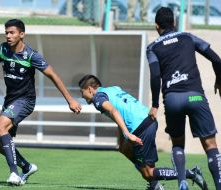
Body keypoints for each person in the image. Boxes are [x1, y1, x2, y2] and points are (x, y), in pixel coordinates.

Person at [0, 19, 82, 186]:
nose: (8, 35)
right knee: (1, 146)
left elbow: (53, 76)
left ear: (22, 34)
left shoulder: (31, 55)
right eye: (6, 32)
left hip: (25, 101)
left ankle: (14, 173)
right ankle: (27, 167)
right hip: (10, 101)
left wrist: (70, 100)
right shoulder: (3, 49)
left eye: (12, 32)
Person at [78, 74, 208, 190]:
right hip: (147, 120)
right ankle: (154, 185)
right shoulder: (113, 89)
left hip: (140, 128)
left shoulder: (97, 98)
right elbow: (121, 109)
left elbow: (114, 111)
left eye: (82, 92)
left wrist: (126, 133)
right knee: (125, 149)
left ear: (89, 89)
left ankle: (190, 173)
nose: (82, 96)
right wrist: (123, 140)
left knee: (148, 172)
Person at [146, 7, 221, 190]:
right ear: (174, 23)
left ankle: (182, 183)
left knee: (178, 143)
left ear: (157, 27)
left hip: (172, 100)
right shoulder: (188, 37)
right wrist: (219, 80)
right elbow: (217, 60)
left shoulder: (153, 47)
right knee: (210, 145)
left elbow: (156, 76)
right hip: (195, 97)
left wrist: (155, 104)